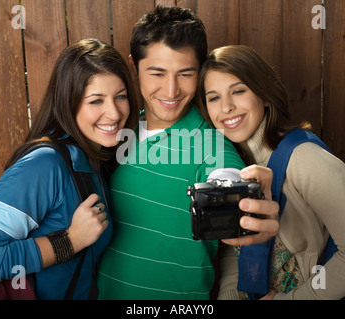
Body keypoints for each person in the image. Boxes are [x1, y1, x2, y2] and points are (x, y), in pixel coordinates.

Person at [97, 6, 279, 300]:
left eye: (185, 74)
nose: (171, 91)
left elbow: (226, 175)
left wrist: (245, 204)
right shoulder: (117, 130)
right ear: (134, 66)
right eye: (157, 73)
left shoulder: (208, 142)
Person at [197, 44, 345, 299]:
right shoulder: (231, 164)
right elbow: (237, 245)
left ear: (264, 94)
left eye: (238, 91)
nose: (226, 107)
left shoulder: (304, 158)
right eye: (213, 97)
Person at [0, 39, 140, 300]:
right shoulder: (44, 164)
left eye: (120, 96)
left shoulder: (92, 156)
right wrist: (70, 240)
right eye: (96, 101)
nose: (114, 113)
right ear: (68, 103)